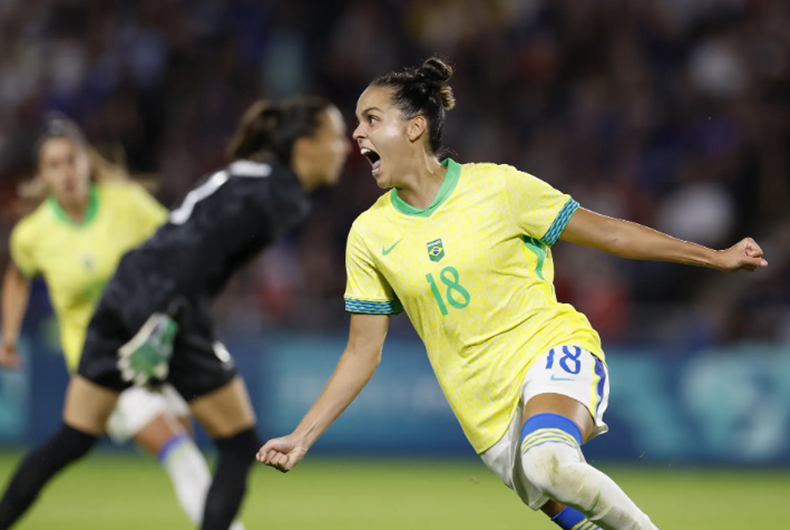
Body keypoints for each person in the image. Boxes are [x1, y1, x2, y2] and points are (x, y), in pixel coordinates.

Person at [257, 58, 768, 530]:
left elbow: (610, 233)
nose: (357, 133)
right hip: (486, 419)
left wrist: (714, 257)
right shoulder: (369, 235)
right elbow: (361, 351)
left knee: (548, 459)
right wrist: (303, 435)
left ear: (414, 128)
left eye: (371, 119)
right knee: (581, 511)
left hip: (551, 351)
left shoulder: (499, 189)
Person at [0, 96, 351, 530]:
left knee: (73, 439)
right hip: (167, 303)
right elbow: (201, 252)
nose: (346, 146)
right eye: (334, 137)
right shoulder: (282, 195)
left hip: (121, 295)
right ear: (304, 146)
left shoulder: (244, 173)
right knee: (238, 445)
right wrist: (165, 320)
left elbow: (177, 235)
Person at [0, 116, 244, 528]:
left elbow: (176, 242)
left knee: (182, 449)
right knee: (180, 453)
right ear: (42, 176)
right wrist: (8, 333)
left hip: (157, 348)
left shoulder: (125, 203)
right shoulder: (33, 234)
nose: (65, 172)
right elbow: (18, 274)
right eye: (54, 165)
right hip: (102, 366)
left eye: (71, 160)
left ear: (87, 162)